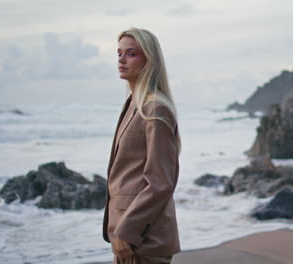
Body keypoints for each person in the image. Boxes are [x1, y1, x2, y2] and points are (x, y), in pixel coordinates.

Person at [102, 27, 181, 264]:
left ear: (150, 59)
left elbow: (160, 182)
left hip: (143, 238)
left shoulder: (155, 110)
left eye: (131, 53)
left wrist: (127, 232)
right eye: (119, 54)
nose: (122, 59)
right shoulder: (133, 105)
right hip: (128, 236)